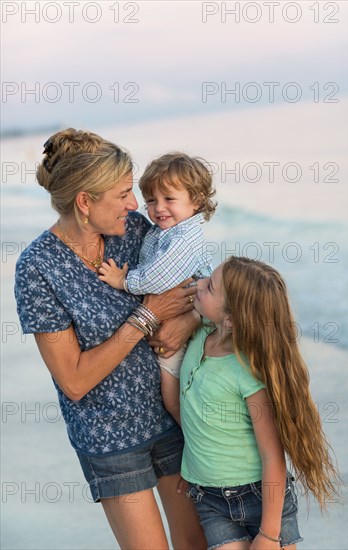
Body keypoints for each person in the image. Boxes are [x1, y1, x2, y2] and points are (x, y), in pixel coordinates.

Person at [14, 128, 207, 550]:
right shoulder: (37, 268)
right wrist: (147, 317)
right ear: (85, 202)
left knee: (197, 543)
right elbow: (74, 380)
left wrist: (189, 319)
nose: (136, 205)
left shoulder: (135, 231)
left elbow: (196, 287)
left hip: (175, 417)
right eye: (123, 194)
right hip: (111, 439)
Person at [178, 257, 342, 550]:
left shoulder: (249, 374)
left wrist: (269, 533)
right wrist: (191, 468)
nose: (198, 284)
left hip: (260, 498)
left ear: (230, 318)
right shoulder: (201, 333)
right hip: (210, 500)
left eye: (209, 286)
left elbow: (272, 456)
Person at [98, 152, 217, 423]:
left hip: (194, 322)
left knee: (172, 390)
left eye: (169, 199)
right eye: (151, 200)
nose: (158, 208)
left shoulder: (185, 237)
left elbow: (159, 278)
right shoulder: (164, 231)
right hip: (184, 316)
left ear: (197, 201)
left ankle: (194, 433)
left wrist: (123, 281)